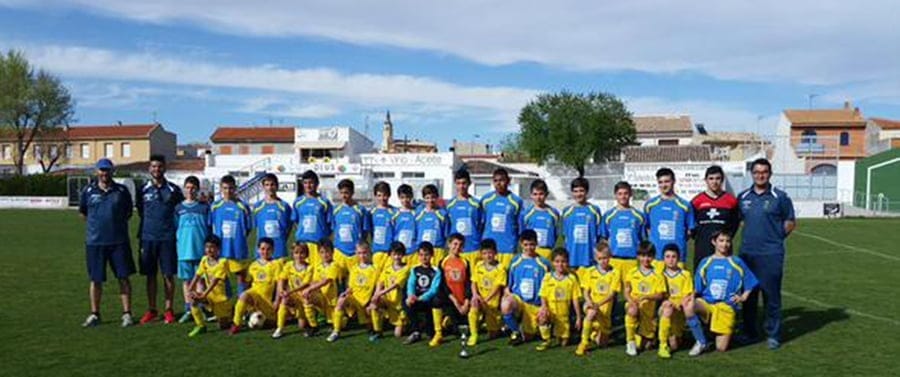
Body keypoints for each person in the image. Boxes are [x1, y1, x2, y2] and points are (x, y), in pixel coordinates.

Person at [737, 158, 795, 350]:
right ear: (752, 174)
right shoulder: (743, 196)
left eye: (764, 172)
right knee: (748, 296)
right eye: (757, 172)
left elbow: (790, 222)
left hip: (771, 254)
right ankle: (750, 332)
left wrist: (775, 239)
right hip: (747, 255)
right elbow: (740, 222)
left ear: (770, 174)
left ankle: (773, 334)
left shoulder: (780, 197)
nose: (760, 175)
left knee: (771, 296)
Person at [79, 158, 136, 328]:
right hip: (95, 242)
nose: (104, 173)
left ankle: (127, 314)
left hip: (119, 241)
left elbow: (128, 213)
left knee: (123, 277)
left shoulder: (121, 190)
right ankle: (95, 314)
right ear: (97, 171)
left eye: (107, 170)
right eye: (102, 170)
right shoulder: (88, 191)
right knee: (95, 280)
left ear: (112, 171)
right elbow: (83, 213)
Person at [687, 231, 759, 356]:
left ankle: (718, 329)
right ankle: (701, 341)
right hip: (708, 305)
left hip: (726, 307)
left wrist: (743, 296)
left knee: (721, 348)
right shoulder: (706, 262)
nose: (724, 244)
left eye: (727, 241)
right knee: (689, 305)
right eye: (721, 241)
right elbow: (698, 288)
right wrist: (689, 297)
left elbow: (751, 281)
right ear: (714, 242)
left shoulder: (736, 262)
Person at [135, 154, 184, 325]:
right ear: (149, 168)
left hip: (168, 238)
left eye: (159, 166)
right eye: (153, 166)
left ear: (165, 168)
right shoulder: (143, 189)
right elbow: (141, 211)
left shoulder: (173, 190)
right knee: (150, 275)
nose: (156, 169)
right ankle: (152, 309)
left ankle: (168, 309)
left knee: (168, 275)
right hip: (147, 237)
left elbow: (179, 210)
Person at [500, 230, 551, 344]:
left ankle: (533, 326)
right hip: (519, 303)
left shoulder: (544, 263)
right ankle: (516, 331)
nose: (529, 248)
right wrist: (507, 296)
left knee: (529, 336)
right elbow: (508, 286)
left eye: (532, 244)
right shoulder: (515, 261)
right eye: (526, 245)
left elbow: (548, 288)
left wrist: (544, 306)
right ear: (521, 244)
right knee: (505, 304)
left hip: (535, 304)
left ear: (536, 243)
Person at [327, 241, 380, 342]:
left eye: (364, 253)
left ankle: (376, 330)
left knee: (369, 326)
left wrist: (373, 300)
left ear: (370, 252)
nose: (362, 256)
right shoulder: (354, 268)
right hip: (355, 300)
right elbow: (351, 287)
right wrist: (346, 293)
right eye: (359, 253)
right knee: (341, 300)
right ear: (356, 254)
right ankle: (336, 331)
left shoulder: (375, 268)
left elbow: (377, 287)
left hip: (367, 301)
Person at [174, 175, 210, 323]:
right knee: (187, 281)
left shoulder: (203, 208)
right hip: (183, 251)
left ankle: (201, 307)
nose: (190, 190)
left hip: (200, 250)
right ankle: (189, 308)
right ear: (184, 189)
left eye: (193, 188)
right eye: (188, 188)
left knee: (201, 280)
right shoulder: (178, 208)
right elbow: (176, 227)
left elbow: (209, 227)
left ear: (197, 189)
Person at [575, 241, 621, 356]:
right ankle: (583, 343)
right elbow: (586, 291)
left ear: (610, 257)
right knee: (590, 312)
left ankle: (593, 334)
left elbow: (612, 295)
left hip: (604, 310)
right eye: (600, 258)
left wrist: (599, 304)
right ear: (596, 258)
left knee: (602, 343)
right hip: (592, 305)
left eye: (605, 258)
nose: (603, 261)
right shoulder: (590, 271)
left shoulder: (615, 273)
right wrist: (590, 302)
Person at [691, 165, 740, 269]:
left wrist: (726, 239)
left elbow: (735, 223)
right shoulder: (697, 201)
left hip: (724, 248)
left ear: (722, 180)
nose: (714, 182)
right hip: (702, 247)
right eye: (711, 178)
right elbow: (691, 223)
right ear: (706, 180)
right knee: (701, 276)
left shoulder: (731, 201)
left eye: (718, 178)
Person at [645, 168, 695, 269]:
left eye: (667, 181)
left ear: (674, 181)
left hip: (677, 257)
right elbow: (647, 228)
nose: (664, 185)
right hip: (656, 257)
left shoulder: (684, 206)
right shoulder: (650, 205)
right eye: (661, 182)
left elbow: (689, 231)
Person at [230, 238, 282, 335]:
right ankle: (236, 324)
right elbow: (248, 284)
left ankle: (266, 317)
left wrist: (277, 301)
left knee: (271, 323)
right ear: (258, 250)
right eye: (262, 249)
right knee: (243, 295)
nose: (265, 252)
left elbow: (279, 284)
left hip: (266, 301)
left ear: (273, 250)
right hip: (254, 295)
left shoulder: (276, 264)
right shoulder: (253, 265)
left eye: (268, 249)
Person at [210, 175, 252, 293]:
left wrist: (239, 239)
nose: (228, 191)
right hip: (220, 250)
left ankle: (242, 304)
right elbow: (210, 225)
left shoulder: (243, 207)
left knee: (241, 277)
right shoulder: (215, 206)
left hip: (237, 249)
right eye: (225, 188)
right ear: (221, 189)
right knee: (220, 278)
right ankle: (225, 305)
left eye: (231, 188)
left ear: (235, 188)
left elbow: (248, 228)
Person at [623, 241, 666, 357]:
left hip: (648, 313)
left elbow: (661, 295)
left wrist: (647, 296)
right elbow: (626, 291)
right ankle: (630, 341)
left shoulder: (657, 274)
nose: (645, 259)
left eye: (648, 256)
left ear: (653, 257)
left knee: (646, 346)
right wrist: (632, 302)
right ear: (638, 256)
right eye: (642, 256)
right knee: (632, 310)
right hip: (634, 305)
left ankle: (644, 335)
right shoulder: (632, 272)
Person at [535, 248, 582, 351]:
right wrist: (544, 307)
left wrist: (579, 317)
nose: (560, 265)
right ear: (552, 263)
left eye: (563, 261)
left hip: (564, 316)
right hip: (550, 312)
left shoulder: (571, 279)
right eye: (557, 261)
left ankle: (560, 333)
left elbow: (575, 299)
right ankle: (546, 339)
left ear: (568, 263)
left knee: (563, 343)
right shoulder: (548, 277)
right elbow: (543, 295)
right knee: (542, 316)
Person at [186, 235, 233, 337]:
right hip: (209, 296)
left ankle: (231, 314)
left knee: (223, 326)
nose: (209, 250)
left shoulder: (223, 262)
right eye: (207, 247)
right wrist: (190, 289)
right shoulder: (204, 260)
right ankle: (200, 325)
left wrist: (203, 295)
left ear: (218, 249)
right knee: (193, 300)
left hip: (221, 298)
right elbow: (197, 275)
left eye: (212, 247)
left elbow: (214, 282)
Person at [403, 242, 444, 347]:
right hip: (416, 300)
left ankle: (439, 325)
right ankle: (415, 331)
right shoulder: (415, 269)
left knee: (430, 333)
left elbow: (434, 289)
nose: (424, 257)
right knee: (407, 301)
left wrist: (421, 298)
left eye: (426, 255)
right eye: (421, 255)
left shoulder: (436, 271)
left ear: (431, 255)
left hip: (428, 301)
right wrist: (411, 296)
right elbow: (411, 284)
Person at [480, 168, 523, 268]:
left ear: (508, 181)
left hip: (508, 248)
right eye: (496, 181)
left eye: (501, 180)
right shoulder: (486, 200)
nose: (498, 183)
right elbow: (481, 223)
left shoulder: (516, 201)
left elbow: (519, 226)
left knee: (505, 280)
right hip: (489, 249)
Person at [466, 238, 506, 346]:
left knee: (493, 334)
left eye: (490, 253)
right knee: (473, 307)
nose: (488, 256)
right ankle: (474, 335)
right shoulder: (478, 265)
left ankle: (490, 323)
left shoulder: (500, 268)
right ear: (481, 254)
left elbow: (497, 288)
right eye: (484, 253)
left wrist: (486, 300)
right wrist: (475, 295)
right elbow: (473, 282)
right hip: (480, 299)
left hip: (492, 303)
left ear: (495, 253)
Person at [657, 244, 694, 359]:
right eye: (667, 257)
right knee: (667, 309)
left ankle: (675, 333)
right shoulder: (660, 275)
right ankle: (662, 345)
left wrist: (680, 303)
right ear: (663, 258)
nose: (671, 260)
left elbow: (688, 293)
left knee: (674, 346)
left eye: (674, 256)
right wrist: (664, 302)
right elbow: (659, 294)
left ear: (678, 258)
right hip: (666, 308)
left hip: (680, 308)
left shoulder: (685, 274)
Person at [368, 242, 410, 340]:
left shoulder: (406, 269)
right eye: (394, 254)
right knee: (374, 303)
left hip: (399, 305)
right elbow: (380, 282)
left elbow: (395, 286)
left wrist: (380, 293)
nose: (397, 257)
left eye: (399, 254)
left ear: (403, 255)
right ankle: (378, 331)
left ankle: (408, 324)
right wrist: (376, 295)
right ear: (390, 255)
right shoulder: (387, 268)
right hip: (387, 301)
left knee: (398, 334)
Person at [561, 177, 603, 278]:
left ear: (586, 192)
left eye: (581, 191)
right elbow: (564, 235)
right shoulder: (567, 211)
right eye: (575, 191)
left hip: (589, 258)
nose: (578, 194)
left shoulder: (594, 211)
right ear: (572, 193)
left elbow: (599, 236)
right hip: (572, 258)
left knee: (588, 291)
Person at [601, 181, 645, 275]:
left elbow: (642, 239)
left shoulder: (638, 216)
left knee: (631, 289)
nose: (623, 197)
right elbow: (604, 238)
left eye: (626, 193)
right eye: (620, 194)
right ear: (615, 195)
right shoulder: (609, 215)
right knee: (613, 289)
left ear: (630, 194)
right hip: (614, 260)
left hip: (632, 260)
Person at [272, 242, 315, 339]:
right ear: (292, 254)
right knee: (284, 300)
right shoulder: (288, 265)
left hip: (303, 296)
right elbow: (281, 279)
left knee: (301, 325)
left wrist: (289, 291)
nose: (299, 255)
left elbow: (305, 284)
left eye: (302, 253)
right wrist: (281, 290)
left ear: (306, 254)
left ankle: (312, 324)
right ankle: (279, 328)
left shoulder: (309, 268)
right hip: (292, 296)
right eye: (296, 253)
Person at [298, 239, 339, 337]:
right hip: (322, 298)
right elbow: (315, 281)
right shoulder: (319, 267)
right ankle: (313, 326)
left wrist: (310, 289)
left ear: (332, 252)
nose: (325, 255)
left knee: (340, 324)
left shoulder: (335, 265)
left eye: (327, 252)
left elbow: (326, 281)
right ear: (319, 254)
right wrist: (309, 290)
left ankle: (337, 320)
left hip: (332, 301)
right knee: (307, 297)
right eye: (322, 252)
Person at [436, 233, 472, 344]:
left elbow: (468, 284)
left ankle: (450, 321)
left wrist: (466, 302)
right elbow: (443, 286)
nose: (457, 247)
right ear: (449, 244)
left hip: (463, 301)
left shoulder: (465, 262)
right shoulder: (443, 262)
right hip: (451, 300)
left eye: (460, 245)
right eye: (455, 244)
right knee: (436, 300)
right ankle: (441, 328)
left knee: (461, 330)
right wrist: (456, 302)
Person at [332, 179, 371, 279]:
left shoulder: (360, 210)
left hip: (355, 252)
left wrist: (359, 246)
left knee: (355, 280)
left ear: (352, 192)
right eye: (341, 193)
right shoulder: (336, 210)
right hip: (339, 252)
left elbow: (365, 231)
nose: (344, 196)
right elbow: (334, 229)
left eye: (346, 192)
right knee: (338, 280)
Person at [292, 170, 332, 268]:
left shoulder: (324, 202)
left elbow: (329, 223)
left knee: (318, 273)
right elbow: (296, 221)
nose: (308, 186)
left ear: (317, 184)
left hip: (318, 244)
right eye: (305, 183)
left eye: (311, 183)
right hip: (303, 244)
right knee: (303, 273)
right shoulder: (298, 202)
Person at [446, 169, 483, 265]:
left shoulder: (476, 204)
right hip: (456, 251)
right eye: (458, 183)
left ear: (469, 183)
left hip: (473, 249)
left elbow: (480, 225)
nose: (461, 186)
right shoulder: (450, 205)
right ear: (455, 184)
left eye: (464, 183)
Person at [253, 173, 293, 262]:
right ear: (263, 187)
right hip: (262, 251)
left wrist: (282, 239)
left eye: (272, 184)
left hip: (279, 251)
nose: (270, 188)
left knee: (280, 276)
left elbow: (289, 227)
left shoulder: (284, 206)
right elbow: (255, 228)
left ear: (277, 186)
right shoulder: (258, 207)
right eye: (267, 185)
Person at [519, 179, 560, 261]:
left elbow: (557, 234)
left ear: (546, 194)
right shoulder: (526, 214)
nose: (538, 197)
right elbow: (522, 234)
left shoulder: (554, 213)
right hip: (530, 251)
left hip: (547, 251)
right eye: (535, 194)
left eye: (541, 194)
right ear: (531, 195)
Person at [416, 184, 450, 265]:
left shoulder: (442, 214)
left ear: (437, 197)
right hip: (423, 251)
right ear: (424, 198)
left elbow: (446, 234)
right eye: (427, 198)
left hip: (438, 250)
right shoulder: (418, 214)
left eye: (433, 197)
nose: (430, 200)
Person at [370, 181, 397, 271]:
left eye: (385, 195)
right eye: (379, 195)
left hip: (391, 253)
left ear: (389, 195)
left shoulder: (395, 212)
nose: (382, 198)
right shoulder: (371, 213)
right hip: (377, 252)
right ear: (375, 196)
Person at [392, 184, 418, 258]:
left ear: (411, 197)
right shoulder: (395, 214)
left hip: (413, 251)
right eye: (402, 197)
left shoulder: (416, 213)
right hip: (399, 252)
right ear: (399, 198)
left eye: (407, 197)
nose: (405, 200)